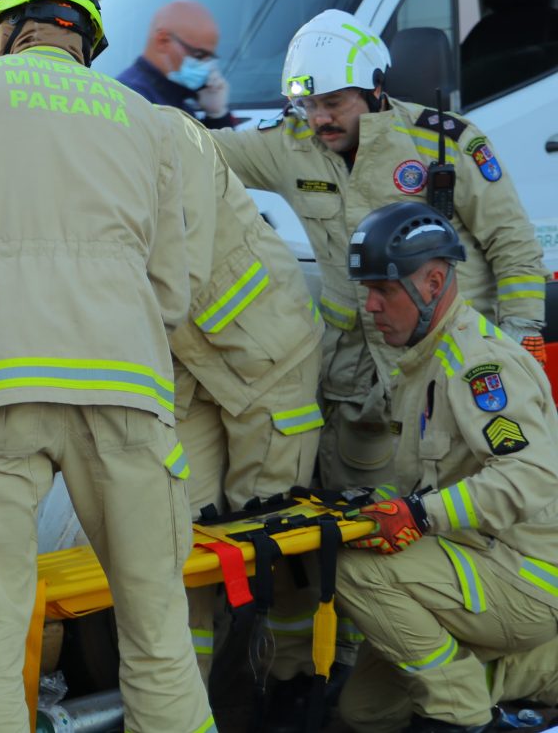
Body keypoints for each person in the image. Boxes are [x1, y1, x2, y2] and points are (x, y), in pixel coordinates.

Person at [0, 0, 214, 730]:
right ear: (85, 37)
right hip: (125, 387)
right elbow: (172, 294)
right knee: (158, 640)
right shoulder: (144, 119)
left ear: (1, 30)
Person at [210, 10, 547, 492]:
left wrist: (519, 335)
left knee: (467, 495)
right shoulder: (289, 147)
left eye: (333, 102)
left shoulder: (445, 143)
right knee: (362, 516)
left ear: (373, 89)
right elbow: (194, 147)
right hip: (355, 381)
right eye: (307, 104)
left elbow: (513, 245)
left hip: (452, 360)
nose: (319, 118)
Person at [333, 202, 558, 732]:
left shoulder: (480, 364)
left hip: (524, 578)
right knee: (366, 711)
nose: (370, 305)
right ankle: (538, 672)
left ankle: (464, 720)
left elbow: (533, 473)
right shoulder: (420, 360)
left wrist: (419, 514)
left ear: (433, 282)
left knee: (358, 569)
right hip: (468, 564)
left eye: (383, 289)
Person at [156, 106, 331, 698]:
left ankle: (288, 689)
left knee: (276, 541)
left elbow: (177, 260)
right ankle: (188, 698)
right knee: (183, 542)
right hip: (193, 367)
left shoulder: (165, 133)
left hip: (268, 357)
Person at [117, 0, 234, 128]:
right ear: (163, 41)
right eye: (199, 55)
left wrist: (216, 115)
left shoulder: (177, 100)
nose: (208, 67)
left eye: (210, 58)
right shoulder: (130, 99)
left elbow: (205, 147)